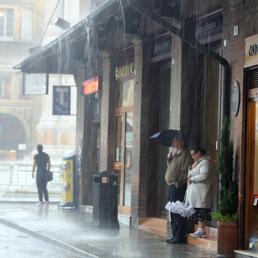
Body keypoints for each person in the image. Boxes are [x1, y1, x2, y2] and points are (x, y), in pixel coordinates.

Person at [165, 134, 193, 244]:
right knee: (172, 211)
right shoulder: (176, 154)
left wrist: (178, 182)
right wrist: (169, 160)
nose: (174, 144)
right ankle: (174, 234)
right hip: (171, 185)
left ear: (182, 142)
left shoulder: (186, 154)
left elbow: (185, 170)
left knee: (179, 211)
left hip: (178, 186)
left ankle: (180, 236)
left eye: (175, 142)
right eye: (173, 142)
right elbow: (171, 169)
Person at [185, 146, 214, 238]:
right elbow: (190, 174)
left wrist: (192, 178)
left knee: (202, 211)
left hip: (201, 192)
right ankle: (200, 229)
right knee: (197, 211)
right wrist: (191, 168)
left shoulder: (205, 162)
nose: (192, 156)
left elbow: (204, 176)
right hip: (195, 192)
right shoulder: (197, 163)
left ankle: (202, 230)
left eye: (193, 154)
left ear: (199, 153)